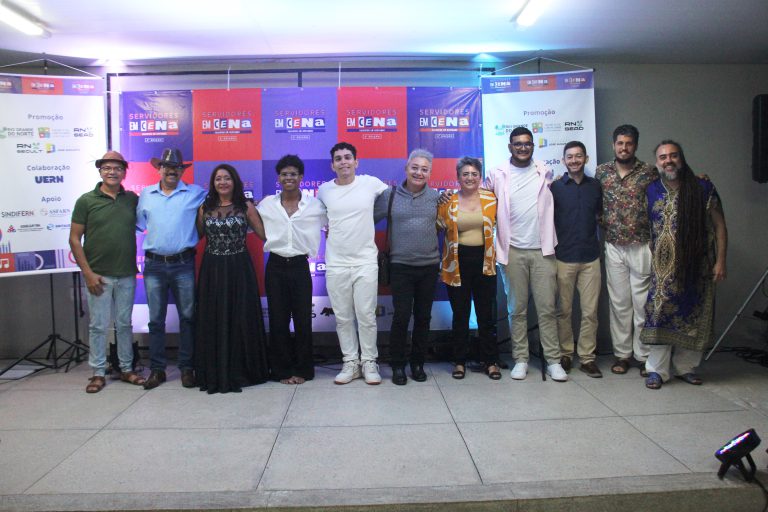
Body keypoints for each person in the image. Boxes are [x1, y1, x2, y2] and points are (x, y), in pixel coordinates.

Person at [641, 140, 727, 389]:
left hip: (697, 267)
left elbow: (720, 226)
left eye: (673, 155)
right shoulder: (652, 190)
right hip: (663, 270)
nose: (668, 160)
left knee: (692, 314)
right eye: (663, 157)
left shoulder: (703, 188)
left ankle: (685, 368)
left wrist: (721, 261)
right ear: (657, 163)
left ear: (681, 158)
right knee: (659, 317)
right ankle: (656, 371)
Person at [485, 127, 566, 382]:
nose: (523, 147)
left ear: (533, 146)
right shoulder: (497, 174)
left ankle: (553, 360)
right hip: (512, 251)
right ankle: (520, 359)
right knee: (516, 309)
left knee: (547, 309)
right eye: (518, 144)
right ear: (510, 147)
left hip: (543, 250)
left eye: (527, 143)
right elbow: (482, 201)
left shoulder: (545, 171)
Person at [69, 151, 145, 393]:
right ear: (100, 171)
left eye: (117, 168)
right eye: (107, 168)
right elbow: (74, 239)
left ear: (124, 172)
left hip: (126, 273)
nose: (112, 172)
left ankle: (126, 368)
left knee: (124, 324)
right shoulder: (86, 201)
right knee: (98, 326)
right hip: (98, 275)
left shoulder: (132, 199)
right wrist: (88, 274)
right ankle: (98, 373)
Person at [317, 142, 389, 385]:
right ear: (332, 165)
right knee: (343, 317)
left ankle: (369, 362)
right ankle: (350, 362)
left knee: (366, 316)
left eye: (348, 157)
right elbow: (318, 218)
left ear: (356, 162)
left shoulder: (371, 183)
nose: (343, 162)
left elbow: (394, 198)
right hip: (336, 263)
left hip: (365, 261)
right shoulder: (324, 190)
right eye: (338, 159)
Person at [194, 164, 269, 393]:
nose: (223, 182)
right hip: (212, 270)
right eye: (218, 179)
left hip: (239, 269)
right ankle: (215, 370)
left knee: (241, 317)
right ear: (213, 183)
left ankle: (242, 370)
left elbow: (264, 235)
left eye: (227, 178)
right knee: (213, 317)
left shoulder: (245, 206)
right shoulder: (205, 208)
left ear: (235, 181)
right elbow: (196, 236)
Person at [137, 148, 206, 390]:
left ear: (182, 170)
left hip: (183, 263)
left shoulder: (195, 193)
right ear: (159, 169)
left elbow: (219, 204)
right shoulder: (146, 194)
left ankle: (187, 368)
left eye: (176, 167)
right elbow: (139, 224)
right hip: (154, 264)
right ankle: (158, 370)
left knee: (188, 318)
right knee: (156, 320)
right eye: (167, 167)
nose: (171, 171)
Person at [255, 155, 327, 385]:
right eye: (284, 174)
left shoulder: (315, 205)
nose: (289, 178)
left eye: (293, 174)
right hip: (275, 266)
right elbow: (251, 218)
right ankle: (282, 371)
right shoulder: (267, 204)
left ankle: (303, 370)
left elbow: (333, 223)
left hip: (300, 266)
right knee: (278, 320)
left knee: (303, 320)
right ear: (278, 178)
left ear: (301, 177)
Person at [595, 125, 658, 377]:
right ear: (613, 145)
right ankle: (622, 355)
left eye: (629, 143)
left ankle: (643, 357)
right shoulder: (602, 172)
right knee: (619, 304)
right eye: (620, 143)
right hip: (613, 244)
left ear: (636, 146)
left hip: (641, 244)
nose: (624, 148)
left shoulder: (649, 172)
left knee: (642, 305)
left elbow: (668, 191)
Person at [373, 149, 440, 385]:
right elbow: (364, 219)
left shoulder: (437, 198)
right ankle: (398, 365)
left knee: (423, 317)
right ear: (406, 169)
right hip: (400, 266)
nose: (419, 172)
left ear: (430, 173)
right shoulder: (389, 196)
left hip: (429, 266)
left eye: (424, 169)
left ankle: (418, 363)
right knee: (401, 316)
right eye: (415, 167)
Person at [438, 157, 500, 379]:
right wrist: (438, 198)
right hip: (456, 263)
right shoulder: (448, 201)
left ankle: (490, 361)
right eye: (465, 174)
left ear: (480, 177)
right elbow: (436, 225)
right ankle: (459, 362)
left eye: (474, 174)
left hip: (485, 262)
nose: (470, 178)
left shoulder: (492, 199)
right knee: (460, 314)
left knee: (486, 315)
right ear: (458, 177)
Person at [551, 142, 603, 378]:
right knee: (563, 311)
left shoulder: (596, 187)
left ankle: (587, 358)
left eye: (578, 156)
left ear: (586, 158)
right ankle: (565, 354)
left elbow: (601, 215)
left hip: (590, 258)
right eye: (570, 157)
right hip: (563, 257)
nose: (574, 160)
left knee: (590, 312)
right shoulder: (555, 187)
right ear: (563, 161)